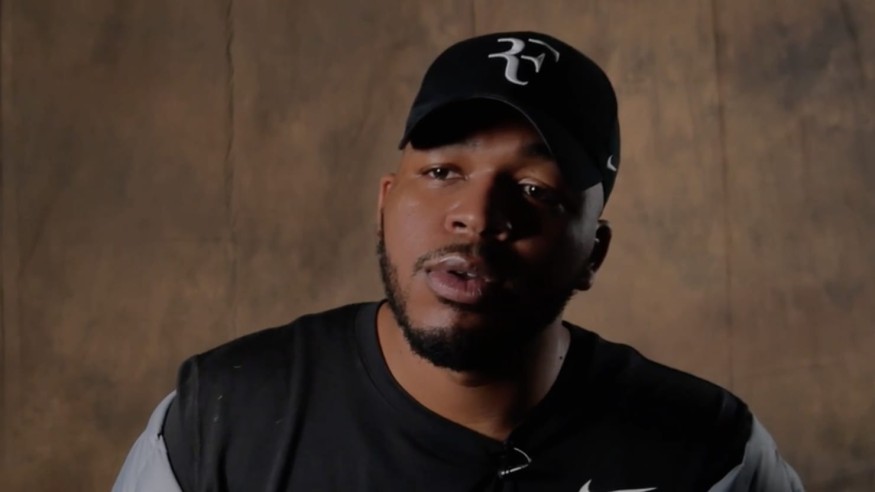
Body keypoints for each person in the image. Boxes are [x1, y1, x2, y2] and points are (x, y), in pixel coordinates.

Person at [113, 31, 804, 491]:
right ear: (386, 203)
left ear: (592, 253)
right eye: (443, 172)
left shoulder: (710, 451)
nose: (476, 215)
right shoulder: (221, 420)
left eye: (534, 190)